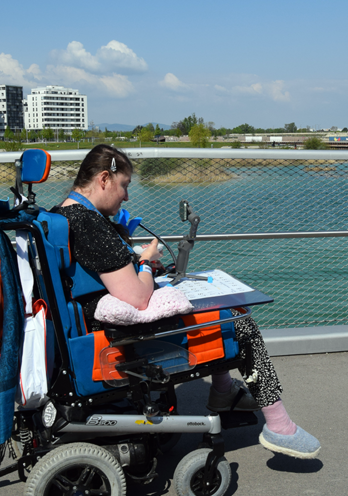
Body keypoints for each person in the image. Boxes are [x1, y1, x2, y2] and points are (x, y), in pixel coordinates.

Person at [53, 144, 320, 459]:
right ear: (103, 179)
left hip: (88, 322)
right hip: (117, 338)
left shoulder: (60, 213)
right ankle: (279, 426)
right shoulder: (91, 225)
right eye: (124, 185)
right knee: (239, 320)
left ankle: (223, 391)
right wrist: (146, 262)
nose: (126, 196)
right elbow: (138, 297)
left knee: (222, 312)